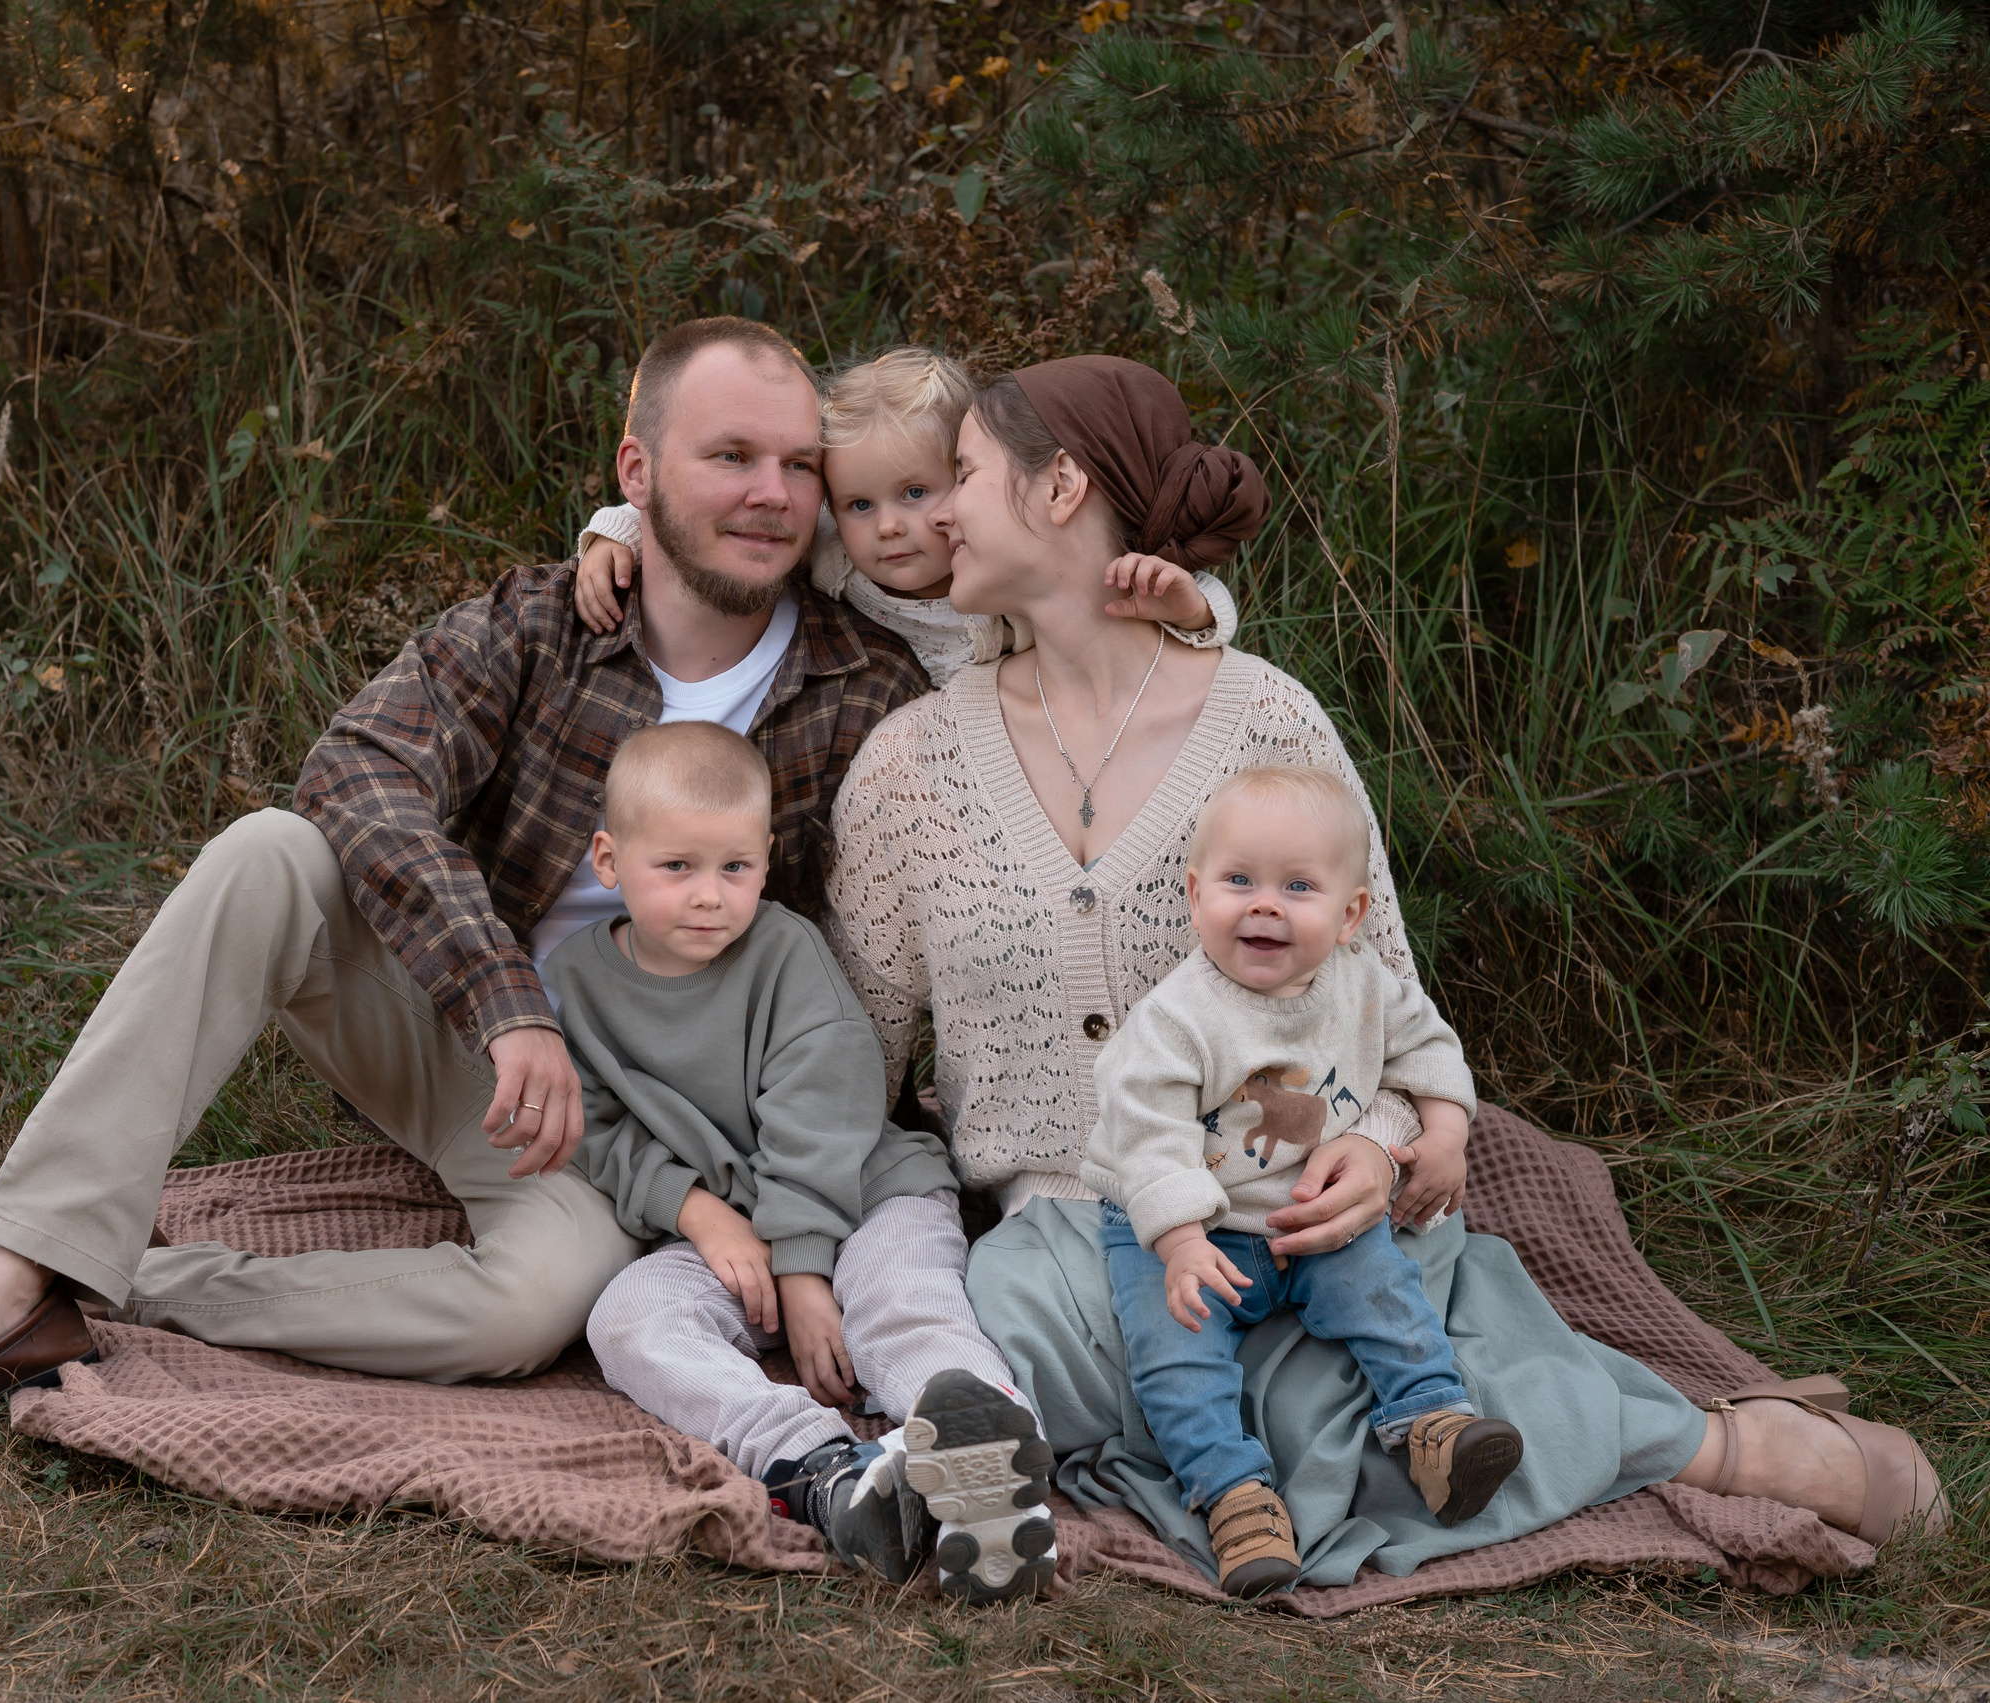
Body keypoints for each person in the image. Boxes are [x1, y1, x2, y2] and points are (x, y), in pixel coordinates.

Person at [822, 353, 1943, 1589]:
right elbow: (849, 1066)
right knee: (1052, 1343)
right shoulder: (907, 768)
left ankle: (1730, 1447)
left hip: (1294, 1208)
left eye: (962, 479)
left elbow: (1385, 992)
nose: (929, 516)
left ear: (1063, 486)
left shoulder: (1267, 720)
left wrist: (1382, 1144)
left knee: (1364, 1348)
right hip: (1077, 1243)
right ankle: (1617, 1440)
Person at [0, 316, 932, 1463]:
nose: (771, 494)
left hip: (639, 1121)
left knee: (532, 1305)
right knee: (270, 852)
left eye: (798, 466)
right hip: (468, 1045)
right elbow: (358, 767)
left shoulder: (861, 687)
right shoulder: (539, 623)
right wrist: (506, 1000)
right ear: (636, 474)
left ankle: (98, 1273)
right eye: (730, 456)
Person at [554, 721, 1056, 1604]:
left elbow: (824, 1111)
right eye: (677, 867)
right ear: (608, 859)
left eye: (734, 868)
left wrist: (802, 1268)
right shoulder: (577, 982)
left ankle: (983, 1442)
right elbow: (595, 1128)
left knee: (904, 1304)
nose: (710, 896)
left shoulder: (784, 951)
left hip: (866, 1195)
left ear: (766, 859)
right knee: (629, 1316)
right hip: (727, 1231)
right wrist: (695, 1211)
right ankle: (824, 1469)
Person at [1087, 763, 1521, 1597]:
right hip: (1192, 1228)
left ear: (1351, 912)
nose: (1264, 904)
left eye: (1297, 886)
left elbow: (1430, 1048)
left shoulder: (1364, 984)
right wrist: (1178, 1241)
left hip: (1309, 1218)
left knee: (1384, 1287)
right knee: (1174, 1351)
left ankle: (1435, 1424)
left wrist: (1446, 1132)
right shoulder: (1177, 1017)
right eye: (1239, 880)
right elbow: (1144, 1137)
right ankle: (1234, 1495)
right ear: (1195, 892)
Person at [570, 346, 1238, 685]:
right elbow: (731, 528)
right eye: (859, 503)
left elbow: (1148, 593)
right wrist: (618, 532)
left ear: (966, 477)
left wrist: (1193, 613)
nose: (887, 526)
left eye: (916, 494)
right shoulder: (836, 553)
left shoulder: (1007, 573)